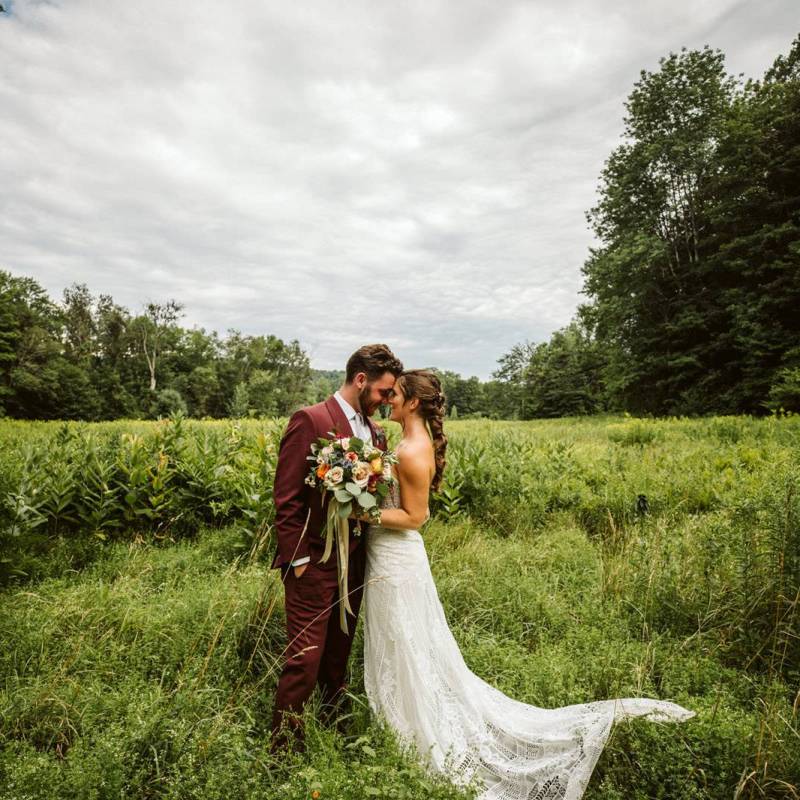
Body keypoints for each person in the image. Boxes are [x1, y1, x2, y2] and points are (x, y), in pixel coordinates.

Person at [362, 369, 695, 799]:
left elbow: (415, 517)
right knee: (405, 641)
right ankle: (402, 718)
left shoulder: (411, 450)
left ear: (411, 403)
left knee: (407, 641)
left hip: (397, 554)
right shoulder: (404, 443)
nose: (388, 399)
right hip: (388, 555)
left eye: (395, 394)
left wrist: (360, 514)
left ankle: (416, 728)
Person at [270, 343, 403, 750]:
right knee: (304, 660)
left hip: (357, 562)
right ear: (360, 380)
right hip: (315, 560)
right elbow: (287, 498)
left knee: (338, 655)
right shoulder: (310, 420)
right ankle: (283, 749)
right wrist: (299, 561)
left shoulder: (376, 432)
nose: (386, 401)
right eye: (383, 391)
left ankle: (333, 727)